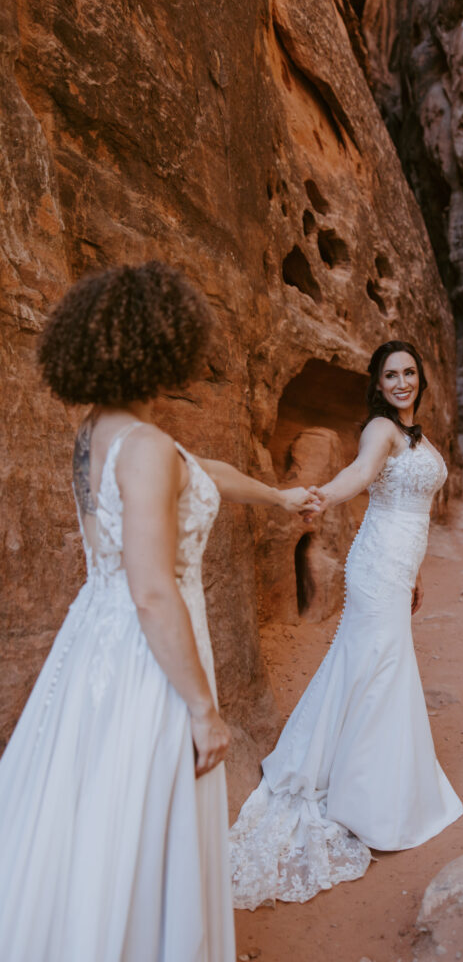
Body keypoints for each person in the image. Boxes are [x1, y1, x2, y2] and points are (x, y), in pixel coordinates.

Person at [0, 262, 316, 962]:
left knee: (94, 810)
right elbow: (151, 587)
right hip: (150, 652)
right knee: (147, 810)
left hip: (96, 640)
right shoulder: (143, 447)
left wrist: (279, 496)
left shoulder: (100, 432)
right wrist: (204, 708)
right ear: (156, 343)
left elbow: (200, 470)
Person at [230, 339, 463, 910]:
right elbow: (359, 475)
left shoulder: (418, 435)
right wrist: (321, 498)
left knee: (369, 665)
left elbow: (413, 511)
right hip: (374, 562)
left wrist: (412, 573)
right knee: (377, 668)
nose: (403, 382)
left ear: (419, 379)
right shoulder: (381, 430)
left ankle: (368, 781)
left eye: (410, 372)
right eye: (392, 375)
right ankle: (366, 802)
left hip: (395, 564)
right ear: (378, 384)